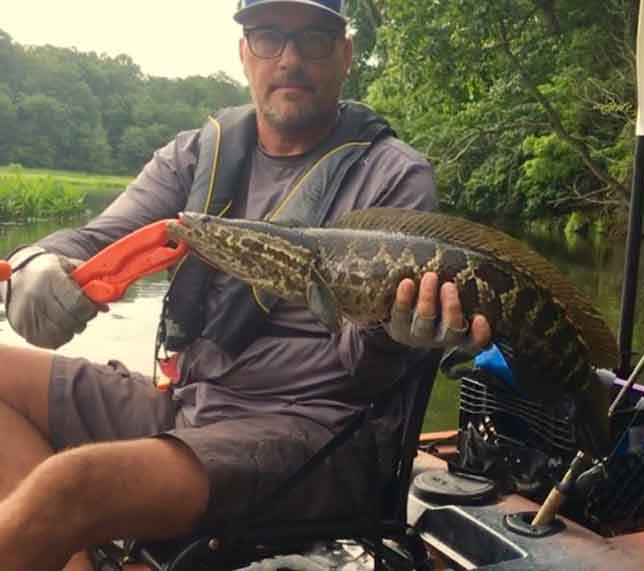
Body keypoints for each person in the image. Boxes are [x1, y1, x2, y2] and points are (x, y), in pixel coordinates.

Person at [0, 1, 490, 570]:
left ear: (345, 55)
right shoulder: (195, 154)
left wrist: (395, 329)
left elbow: (366, 374)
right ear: (243, 52)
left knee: (68, 487)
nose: (289, 59)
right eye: (267, 37)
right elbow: (102, 236)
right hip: (191, 405)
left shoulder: (392, 175)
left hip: (315, 436)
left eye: (312, 39)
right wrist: (40, 261)